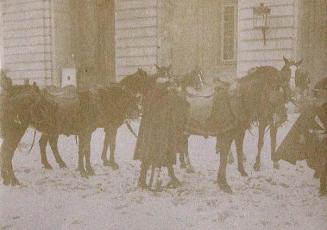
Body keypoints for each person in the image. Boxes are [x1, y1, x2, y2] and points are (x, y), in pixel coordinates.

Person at [134, 75, 188, 190]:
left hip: (148, 132)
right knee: (163, 154)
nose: (168, 88)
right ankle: (155, 182)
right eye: (167, 86)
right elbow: (178, 106)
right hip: (162, 133)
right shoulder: (168, 98)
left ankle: (143, 179)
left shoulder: (150, 95)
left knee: (147, 156)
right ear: (163, 86)